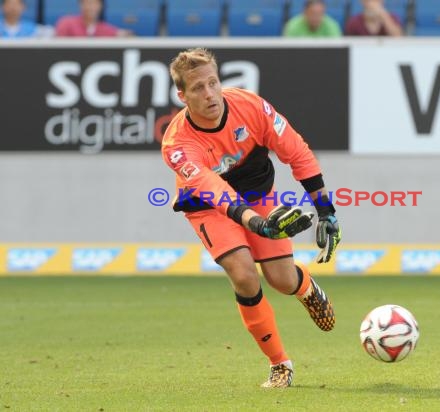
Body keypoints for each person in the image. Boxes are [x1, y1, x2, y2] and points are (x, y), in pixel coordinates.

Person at [161, 48, 342, 388]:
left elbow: (296, 152)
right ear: (182, 96)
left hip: (258, 194)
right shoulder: (176, 144)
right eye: (198, 88)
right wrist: (256, 224)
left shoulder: (252, 107)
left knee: (281, 280)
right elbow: (212, 188)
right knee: (244, 276)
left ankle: (304, 287)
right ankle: (280, 365)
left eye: (213, 83)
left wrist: (326, 211)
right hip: (208, 206)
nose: (210, 93)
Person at [55, 0, 131, 37]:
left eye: (94, 3)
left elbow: (120, 34)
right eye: (87, 3)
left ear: (101, 6)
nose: (90, 7)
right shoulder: (66, 23)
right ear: (80, 5)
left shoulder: (105, 29)